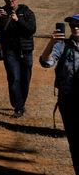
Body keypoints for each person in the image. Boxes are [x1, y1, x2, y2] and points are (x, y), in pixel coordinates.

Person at [0, 0, 36, 118]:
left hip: (25, 50)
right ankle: (18, 106)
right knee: (14, 78)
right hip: (9, 50)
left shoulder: (25, 11)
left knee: (25, 79)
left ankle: (21, 102)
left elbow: (31, 30)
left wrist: (18, 20)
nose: (10, 0)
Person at [39, 13, 79, 173]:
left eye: (78, 24)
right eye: (72, 25)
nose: (75, 28)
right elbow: (45, 62)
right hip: (68, 101)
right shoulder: (63, 45)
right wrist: (51, 43)